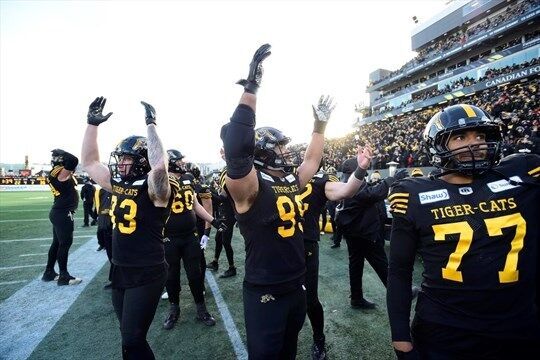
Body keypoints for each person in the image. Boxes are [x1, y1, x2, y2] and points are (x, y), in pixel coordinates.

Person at [387, 104, 540, 359]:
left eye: (481, 135)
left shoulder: (523, 173)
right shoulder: (413, 194)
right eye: (460, 137)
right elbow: (400, 271)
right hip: (446, 329)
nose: (476, 143)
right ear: (438, 146)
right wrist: (401, 338)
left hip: (519, 323)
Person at [221, 44, 329, 359]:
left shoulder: (287, 179)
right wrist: (251, 89)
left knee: (288, 353)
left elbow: (311, 161)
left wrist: (319, 128)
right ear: (264, 151)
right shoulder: (248, 184)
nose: (286, 152)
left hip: (296, 285)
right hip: (265, 290)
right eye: (280, 148)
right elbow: (239, 147)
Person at [81, 97, 178, 360]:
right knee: (128, 338)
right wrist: (92, 125)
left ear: (141, 160)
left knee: (133, 339)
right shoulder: (119, 184)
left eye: (126, 158)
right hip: (120, 268)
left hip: (147, 270)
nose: (120, 163)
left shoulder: (155, 189)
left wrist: (151, 125)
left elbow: (160, 166)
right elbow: (90, 163)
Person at [300, 147, 373, 359]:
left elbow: (345, 191)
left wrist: (360, 170)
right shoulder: (285, 178)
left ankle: (318, 338)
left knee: (310, 299)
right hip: (282, 246)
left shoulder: (322, 180)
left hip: (307, 245)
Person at [161, 149, 225, 330]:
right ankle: (174, 309)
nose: (182, 163)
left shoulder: (187, 178)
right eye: (179, 161)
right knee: (171, 275)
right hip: (169, 238)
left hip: (189, 235)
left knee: (195, 274)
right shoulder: (160, 180)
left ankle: (201, 309)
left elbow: (195, 205)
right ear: (170, 162)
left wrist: (213, 220)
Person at [336, 159, 409, 309]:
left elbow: (369, 191)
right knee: (382, 264)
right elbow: (372, 194)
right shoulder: (353, 184)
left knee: (356, 265)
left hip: (353, 232)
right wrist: (392, 179)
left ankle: (356, 298)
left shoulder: (343, 182)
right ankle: (401, 294)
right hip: (365, 233)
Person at [42, 148, 82, 286]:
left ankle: (49, 272)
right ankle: (64, 276)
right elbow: (73, 160)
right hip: (63, 214)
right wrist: (63, 152)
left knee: (57, 243)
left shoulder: (55, 173)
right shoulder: (60, 173)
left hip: (58, 212)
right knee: (65, 243)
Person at [207, 158, 237, 279]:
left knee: (225, 241)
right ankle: (215, 262)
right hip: (224, 213)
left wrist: (209, 194)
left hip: (228, 215)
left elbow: (222, 199)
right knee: (218, 238)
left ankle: (232, 268)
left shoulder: (228, 185)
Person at [94, 186, 113, 289]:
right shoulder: (100, 191)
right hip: (105, 226)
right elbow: (99, 208)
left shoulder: (119, 187)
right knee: (111, 255)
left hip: (115, 227)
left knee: (117, 256)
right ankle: (114, 279)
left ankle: (118, 279)